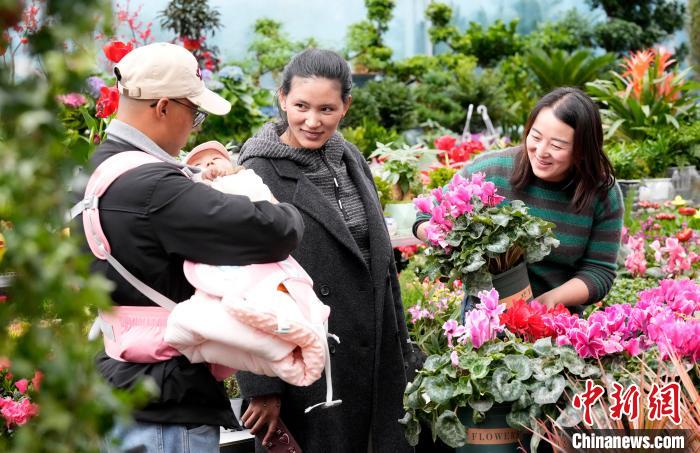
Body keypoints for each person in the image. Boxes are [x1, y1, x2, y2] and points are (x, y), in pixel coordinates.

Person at [75, 42, 304, 452]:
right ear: (162, 107)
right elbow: (278, 229)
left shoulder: (92, 174)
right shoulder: (155, 187)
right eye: (194, 115)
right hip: (170, 408)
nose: (194, 127)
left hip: (121, 381)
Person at [235, 48, 413, 453]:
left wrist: (404, 353)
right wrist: (261, 386)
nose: (312, 121)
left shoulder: (348, 156)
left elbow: (380, 266)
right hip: (309, 361)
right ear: (282, 99)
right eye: (300, 106)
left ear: (345, 106)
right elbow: (242, 280)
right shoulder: (258, 172)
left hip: (373, 351)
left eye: (326, 109)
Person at [415, 87, 623, 314]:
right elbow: (426, 216)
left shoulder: (602, 192)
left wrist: (549, 301)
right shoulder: (491, 171)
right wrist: (449, 239)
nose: (541, 151)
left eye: (557, 145)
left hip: (556, 319)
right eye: (535, 137)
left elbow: (599, 271)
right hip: (484, 317)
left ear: (583, 150)